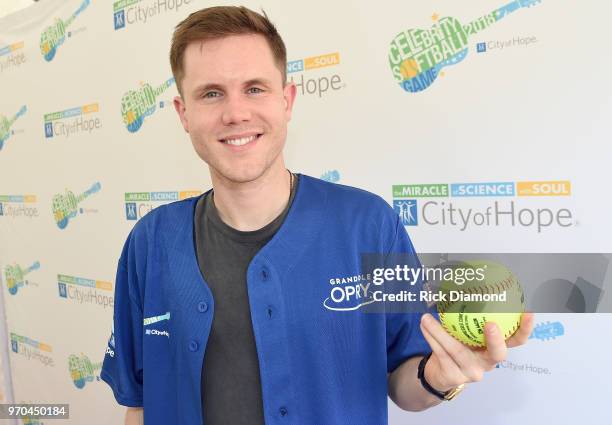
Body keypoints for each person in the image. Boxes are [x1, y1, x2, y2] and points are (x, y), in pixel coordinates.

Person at [100, 6, 534, 425]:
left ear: (286, 100)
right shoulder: (150, 242)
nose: (235, 113)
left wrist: (439, 378)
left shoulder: (368, 225)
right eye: (211, 93)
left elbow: (405, 381)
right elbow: (139, 406)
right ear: (183, 113)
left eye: (255, 88)